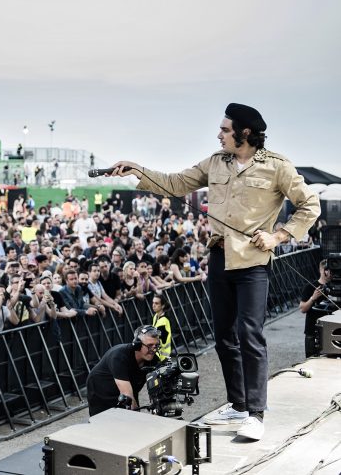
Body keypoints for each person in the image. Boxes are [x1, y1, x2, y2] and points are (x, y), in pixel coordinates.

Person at [111, 102, 320, 440]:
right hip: (219, 259)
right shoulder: (215, 162)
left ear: (245, 133)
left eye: (225, 130)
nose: (219, 134)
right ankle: (237, 404)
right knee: (224, 336)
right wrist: (138, 169)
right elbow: (177, 183)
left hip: (253, 262)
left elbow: (310, 205)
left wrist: (277, 236)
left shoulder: (277, 167)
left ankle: (255, 413)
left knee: (250, 335)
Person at [87, 325, 160, 417]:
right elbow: (127, 395)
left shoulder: (153, 360)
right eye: (149, 346)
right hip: (102, 390)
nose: (153, 350)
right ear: (137, 344)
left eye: (156, 345)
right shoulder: (119, 356)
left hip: (128, 389)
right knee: (106, 423)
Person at [299, 259, 334, 357]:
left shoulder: (335, 288)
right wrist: (313, 298)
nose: (330, 273)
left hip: (332, 331)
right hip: (313, 332)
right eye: (328, 270)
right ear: (322, 270)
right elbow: (302, 309)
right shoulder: (310, 287)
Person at [151, 294, 173, 361]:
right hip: (158, 354)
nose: (153, 305)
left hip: (162, 357)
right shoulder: (156, 316)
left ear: (162, 306)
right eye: (153, 302)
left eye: (156, 303)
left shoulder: (164, 321)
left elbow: (158, 339)